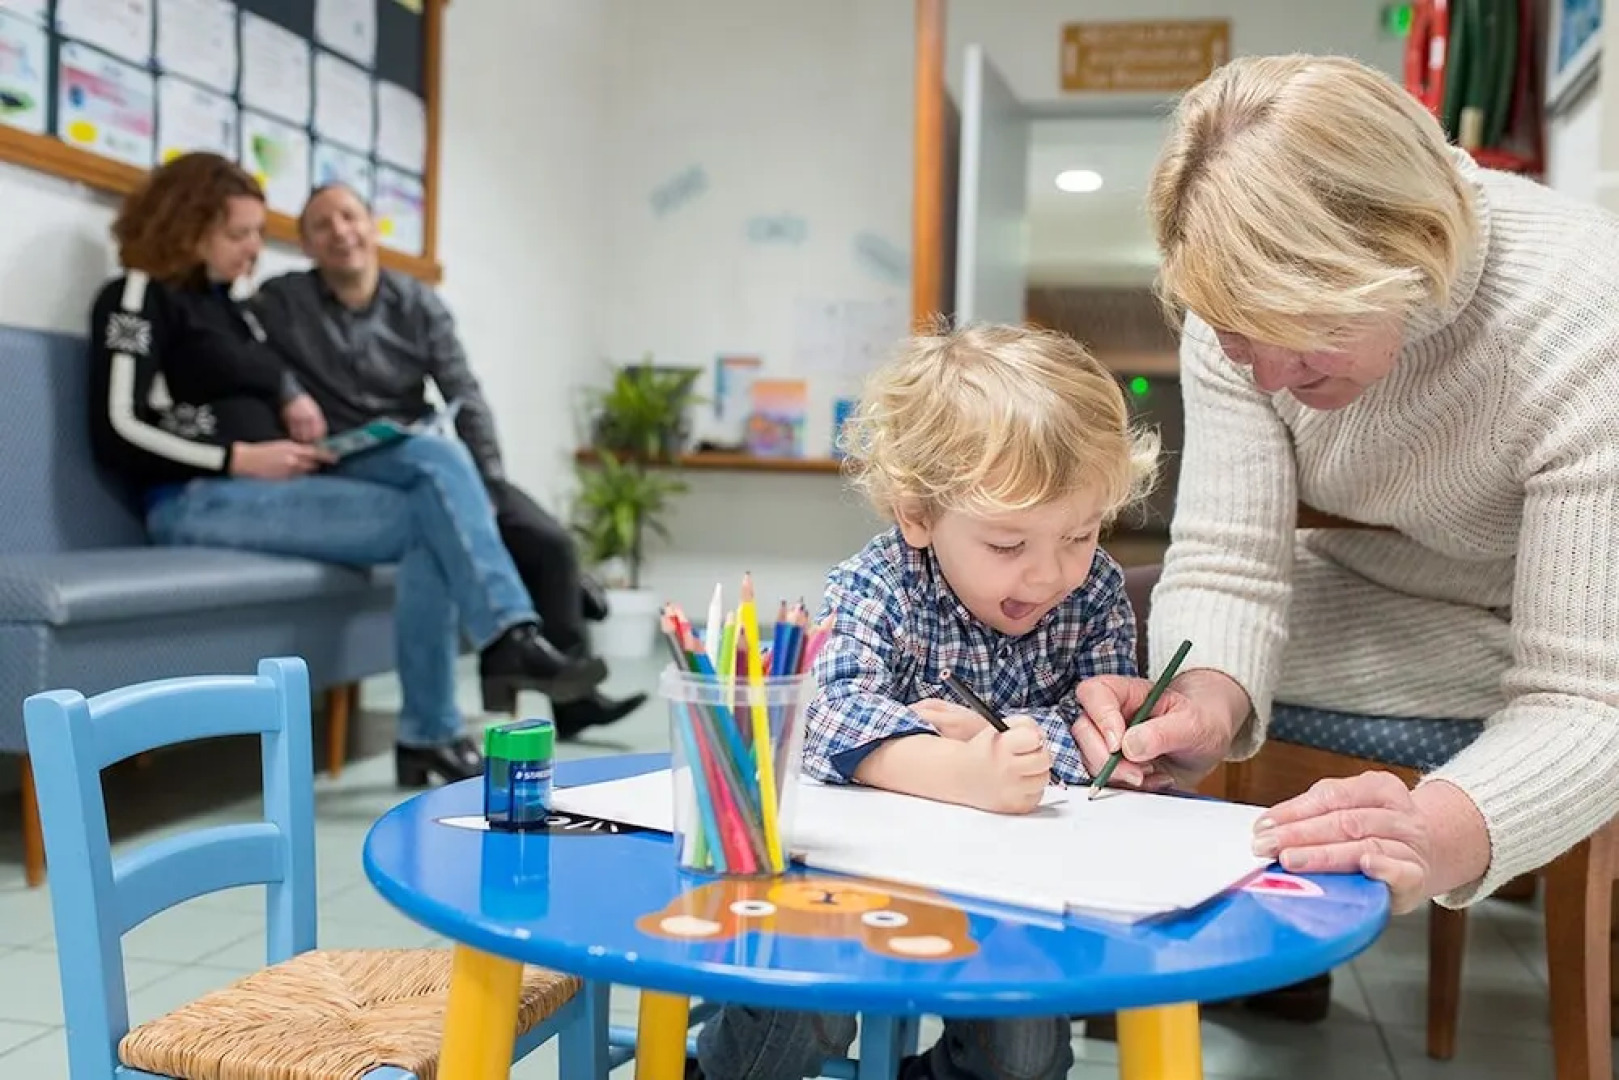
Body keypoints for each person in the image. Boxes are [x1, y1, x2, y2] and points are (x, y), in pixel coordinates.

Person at [1069, 54, 1619, 921]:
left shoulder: (1586, 317)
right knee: (1081, 618)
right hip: (1354, 586)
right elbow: (1226, 560)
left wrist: (1431, 831)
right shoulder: (1233, 299)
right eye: (1237, 338)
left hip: (1523, 624)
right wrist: (1205, 705)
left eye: (1304, 335)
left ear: (1408, 250)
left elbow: (1589, 698)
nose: (1270, 376)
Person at [695, 322, 1160, 1080]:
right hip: (849, 875)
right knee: (799, 1004)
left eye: (1078, 534)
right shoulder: (878, 580)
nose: (1050, 575)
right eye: (1008, 546)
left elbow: (1095, 731)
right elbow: (828, 716)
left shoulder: (1098, 588)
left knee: (1022, 1053)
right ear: (918, 515)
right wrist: (962, 771)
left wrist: (998, 738)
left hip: (1018, 888)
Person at [87, 152, 609, 788]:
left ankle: (448, 714)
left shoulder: (235, 307)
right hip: (200, 496)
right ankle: (471, 682)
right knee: (431, 515)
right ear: (186, 226)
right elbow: (119, 425)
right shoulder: (137, 295)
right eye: (239, 234)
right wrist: (239, 456)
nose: (254, 249)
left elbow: (253, 376)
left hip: (279, 479)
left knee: (437, 463)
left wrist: (291, 400)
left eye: (257, 233)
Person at [252, 182, 644, 739]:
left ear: (372, 226)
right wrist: (291, 390)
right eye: (322, 225)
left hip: (428, 456)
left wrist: (486, 485)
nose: (340, 231)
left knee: (550, 542)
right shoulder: (280, 301)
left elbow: (465, 393)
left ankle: (569, 697)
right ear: (308, 247)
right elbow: (241, 355)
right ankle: (506, 646)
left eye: (349, 216)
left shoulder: (418, 303)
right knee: (443, 480)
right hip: (351, 467)